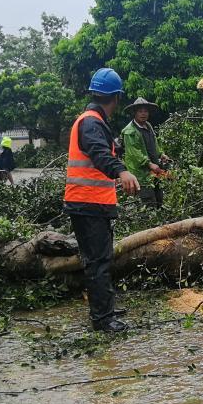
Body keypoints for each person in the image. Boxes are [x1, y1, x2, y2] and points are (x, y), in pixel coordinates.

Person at [64, 67, 141, 333]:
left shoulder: (95, 121)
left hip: (93, 203)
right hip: (87, 203)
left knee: (102, 258)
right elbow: (98, 153)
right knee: (97, 261)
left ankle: (104, 308)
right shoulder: (91, 122)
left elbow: (102, 149)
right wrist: (121, 170)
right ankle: (103, 319)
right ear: (116, 97)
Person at [121, 97, 170, 206]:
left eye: (145, 111)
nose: (143, 114)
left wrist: (161, 154)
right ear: (135, 113)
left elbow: (154, 143)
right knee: (148, 204)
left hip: (154, 172)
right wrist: (149, 164)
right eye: (140, 111)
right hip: (140, 175)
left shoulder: (148, 125)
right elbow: (135, 153)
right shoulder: (130, 131)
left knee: (159, 200)